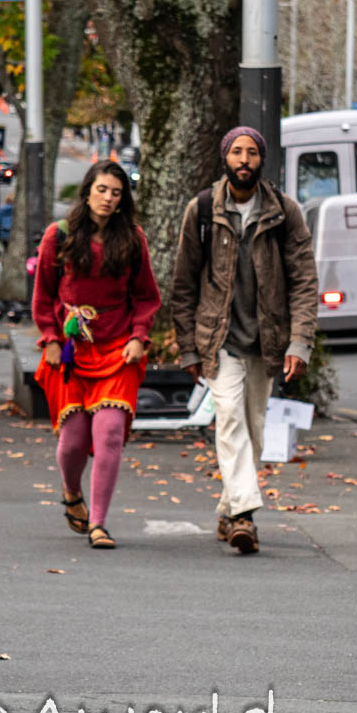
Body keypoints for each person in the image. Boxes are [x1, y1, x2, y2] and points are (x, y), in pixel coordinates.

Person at [170, 126, 317, 555]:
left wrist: (299, 343)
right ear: (225, 158)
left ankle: (227, 508)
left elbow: (305, 281)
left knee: (251, 430)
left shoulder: (284, 212)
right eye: (237, 152)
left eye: (252, 152)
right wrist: (188, 348)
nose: (244, 160)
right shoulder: (202, 210)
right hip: (219, 340)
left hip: (267, 341)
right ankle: (244, 517)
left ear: (261, 160)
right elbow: (183, 285)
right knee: (230, 417)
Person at [31, 161, 161, 549]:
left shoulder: (133, 239)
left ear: (123, 200)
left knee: (108, 434)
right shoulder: (60, 235)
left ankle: (99, 524)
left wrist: (139, 336)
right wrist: (51, 338)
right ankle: (72, 492)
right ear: (87, 191)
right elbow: (43, 294)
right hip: (71, 350)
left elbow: (146, 296)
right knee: (72, 441)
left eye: (116, 193)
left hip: (118, 347)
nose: (108, 198)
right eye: (102, 190)